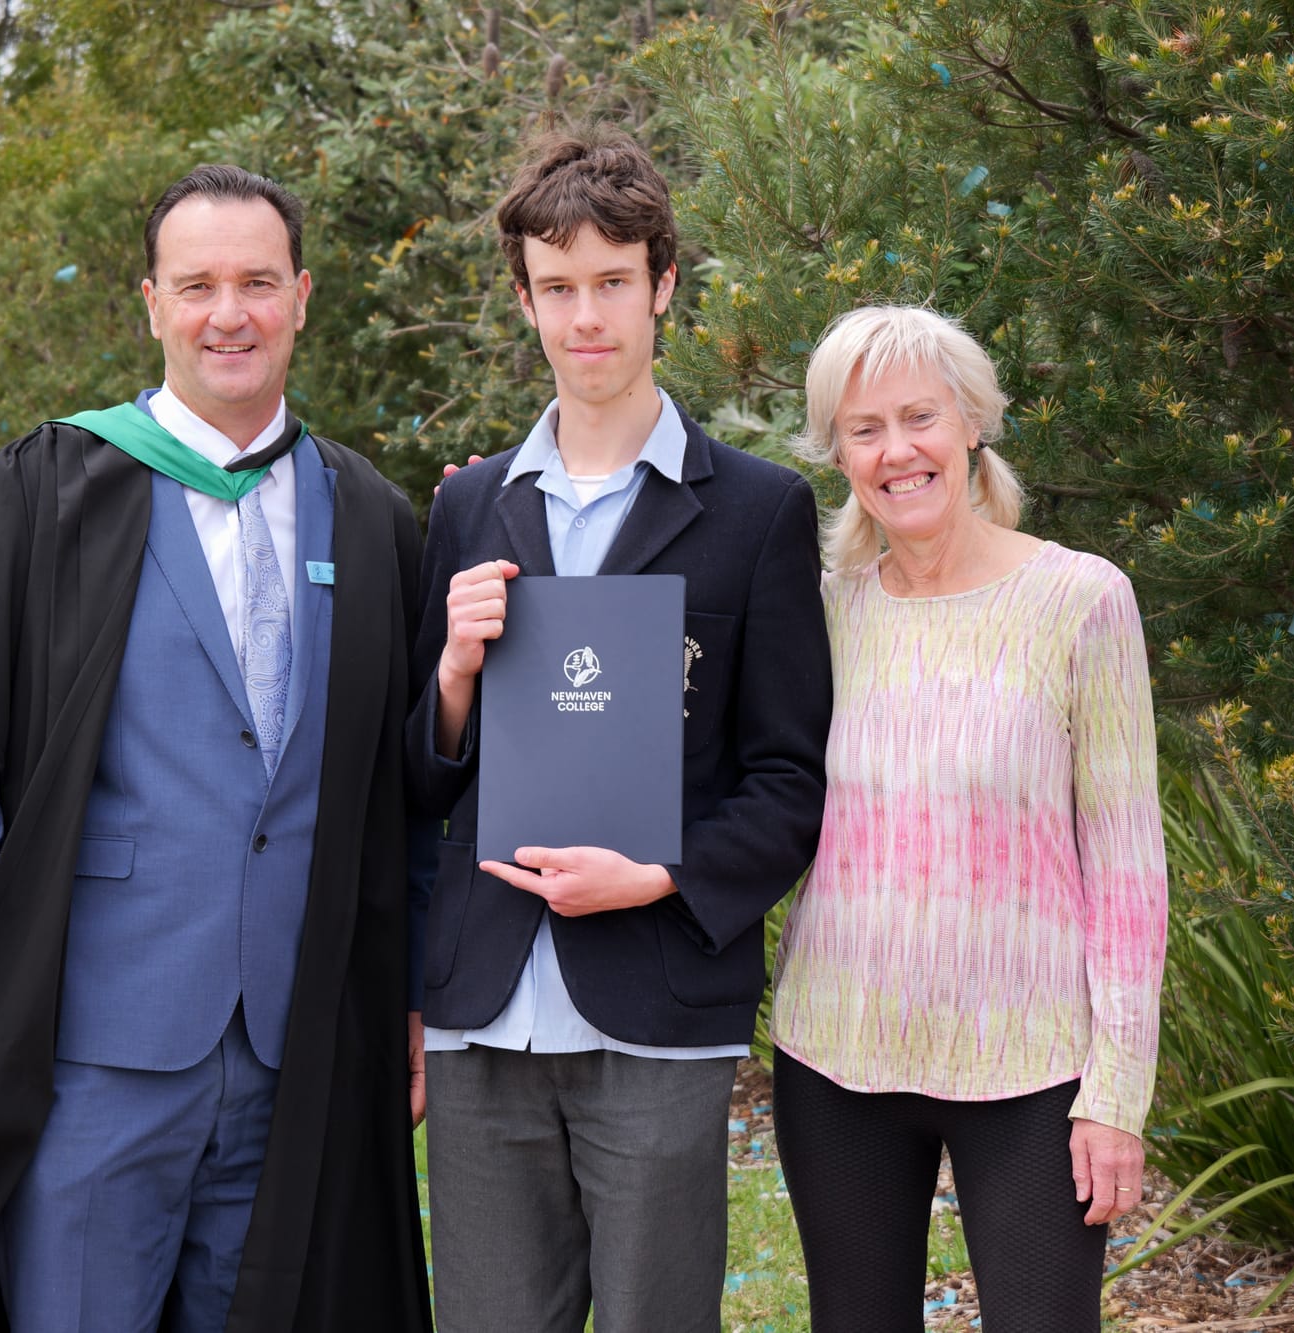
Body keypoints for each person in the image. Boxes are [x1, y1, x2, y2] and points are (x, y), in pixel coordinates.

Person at [0, 165, 432, 1333]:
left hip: (293, 1050)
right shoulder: (46, 489)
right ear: (150, 303)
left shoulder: (368, 517)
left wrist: (407, 997)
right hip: (89, 1053)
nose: (230, 314)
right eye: (198, 284)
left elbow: (399, 794)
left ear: (302, 297)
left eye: (258, 282)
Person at [408, 126, 833, 1333]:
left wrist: (657, 876)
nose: (583, 316)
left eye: (609, 282)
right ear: (524, 300)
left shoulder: (755, 512)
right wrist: (448, 670)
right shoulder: (465, 503)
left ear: (661, 287)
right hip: (483, 1005)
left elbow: (788, 777)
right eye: (556, 289)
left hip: (657, 1010)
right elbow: (416, 778)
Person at [767, 305, 1168, 1332]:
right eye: (863, 429)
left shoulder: (1079, 600)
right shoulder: (825, 608)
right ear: (837, 452)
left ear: (970, 425)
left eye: (918, 417)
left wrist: (1115, 1091)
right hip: (837, 1055)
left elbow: (1125, 866)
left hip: (1032, 1068)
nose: (895, 450)